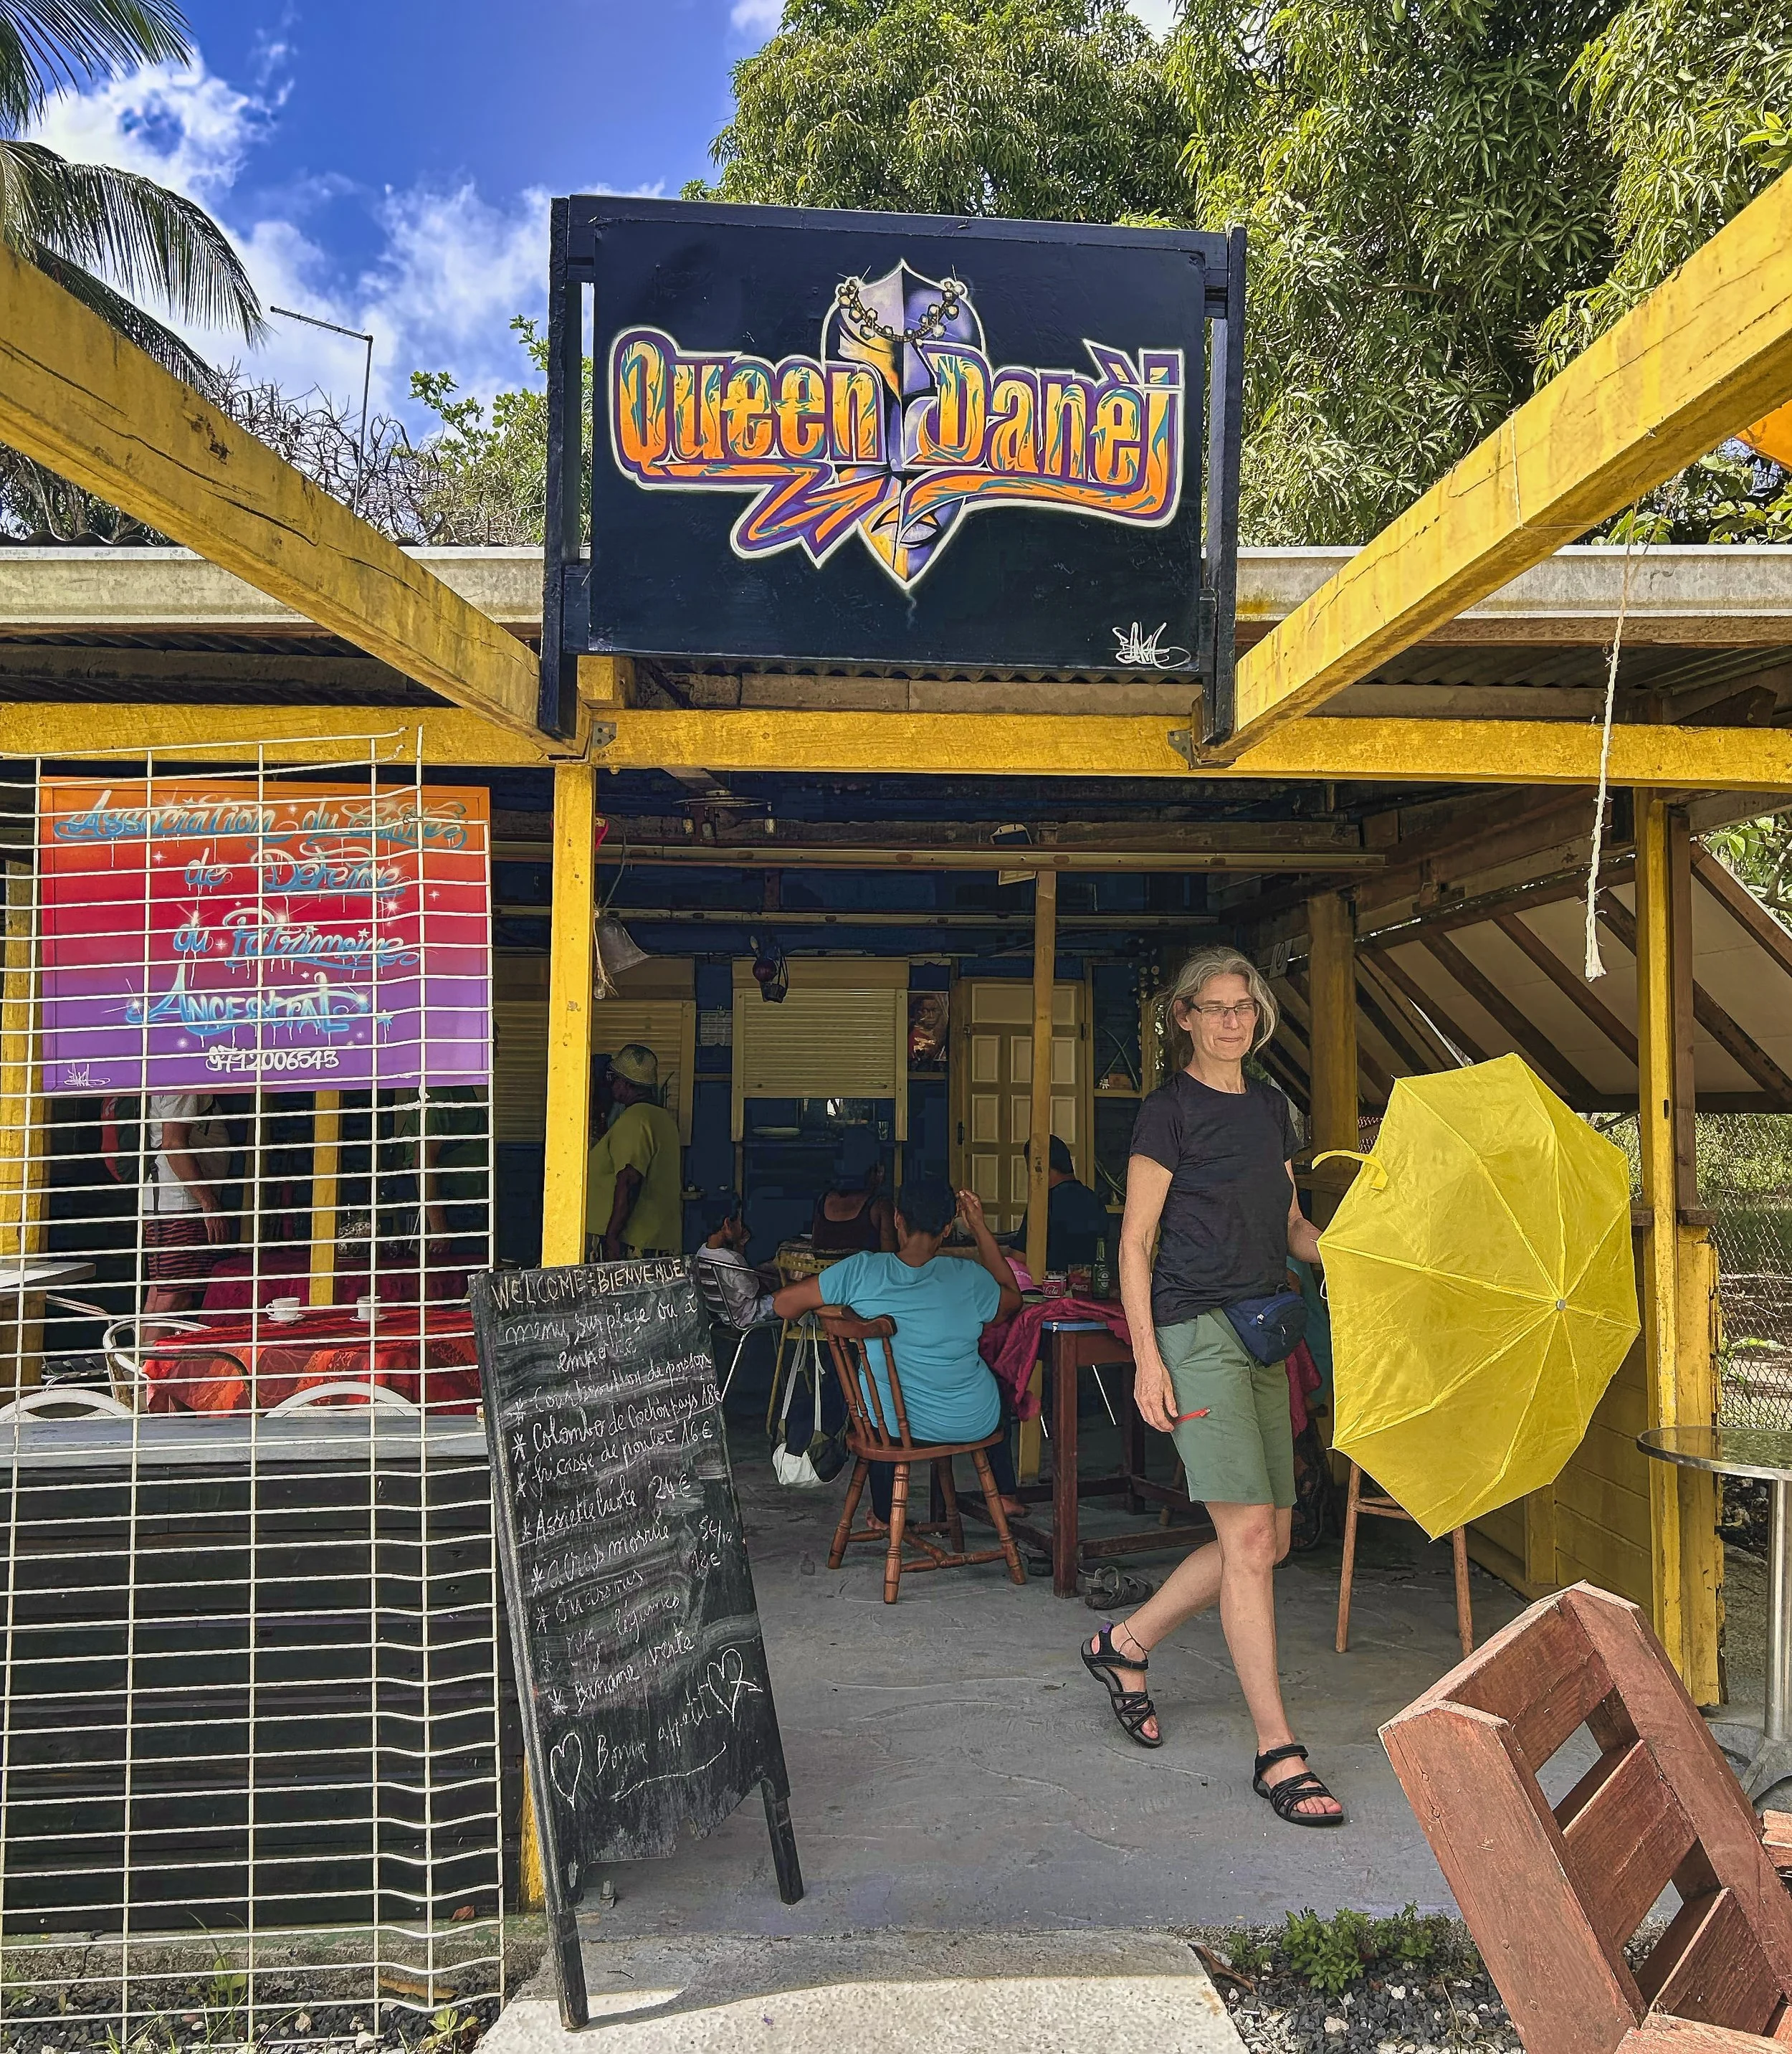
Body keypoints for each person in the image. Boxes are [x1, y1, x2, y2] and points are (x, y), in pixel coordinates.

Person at [1081, 945, 1343, 1828]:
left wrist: (1349, 1249)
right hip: (1195, 1335)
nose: (1233, 1020)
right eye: (1216, 1007)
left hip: (1266, 1329)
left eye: (1244, 1007)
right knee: (1249, 1539)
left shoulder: (1272, 1109)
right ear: (1183, 1017)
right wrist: (1147, 1359)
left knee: (1262, 1540)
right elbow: (1135, 1244)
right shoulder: (1167, 1113)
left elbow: (1294, 1226)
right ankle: (1277, 1751)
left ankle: (1125, 1644)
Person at [774, 1178, 1025, 1524]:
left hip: (891, 1429)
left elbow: (784, 1305)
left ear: (897, 1219)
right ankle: (1006, 1494)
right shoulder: (969, 1277)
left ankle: (883, 1513)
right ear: (949, 1227)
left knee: (877, 1399)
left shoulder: (862, 1271)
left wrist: (837, 1311)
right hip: (972, 1422)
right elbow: (1012, 1297)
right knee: (995, 1386)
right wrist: (980, 1228)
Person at [586, 1045, 682, 1260]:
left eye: (614, 1080)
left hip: (632, 1244)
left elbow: (629, 1180)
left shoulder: (636, 1120)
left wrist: (612, 1237)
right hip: (656, 1238)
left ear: (624, 1083)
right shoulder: (663, 1119)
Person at [142, 1092, 232, 1316]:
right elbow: (173, 1144)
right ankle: (150, 1351)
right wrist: (208, 1204)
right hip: (182, 1204)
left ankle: (140, 1352)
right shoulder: (184, 1083)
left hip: (167, 1203)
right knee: (174, 1299)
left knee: (161, 1295)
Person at [1007, 1136, 1112, 1274]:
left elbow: (1018, 1259)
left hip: (1051, 1289)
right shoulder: (1095, 1201)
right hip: (1087, 1288)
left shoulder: (1044, 1204)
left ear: (1038, 1168)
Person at [692, 1197, 780, 1329]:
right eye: (739, 1221)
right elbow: (753, 1291)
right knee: (793, 1293)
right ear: (728, 1224)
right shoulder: (731, 1259)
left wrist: (739, 1245)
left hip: (725, 1314)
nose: (743, 1226)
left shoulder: (701, 1253)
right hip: (748, 1314)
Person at [810, 1128, 896, 1254]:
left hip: (824, 1273)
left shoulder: (824, 1200)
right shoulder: (881, 1206)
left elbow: (816, 1246)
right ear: (878, 1169)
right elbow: (889, 1258)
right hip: (865, 1274)